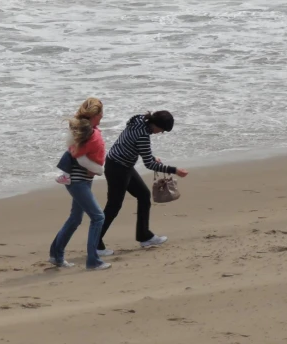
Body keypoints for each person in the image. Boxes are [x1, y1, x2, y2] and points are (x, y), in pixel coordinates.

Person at [97, 110, 188, 256]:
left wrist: (150, 156)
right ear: (156, 125)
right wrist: (175, 170)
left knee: (144, 196)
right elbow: (149, 165)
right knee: (113, 206)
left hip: (122, 165)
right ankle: (96, 244)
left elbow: (133, 143)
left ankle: (144, 236)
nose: (160, 133)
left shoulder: (139, 119)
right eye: (162, 130)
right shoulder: (143, 135)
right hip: (118, 168)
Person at [48, 98, 111, 271]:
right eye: (101, 114)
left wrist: (94, 169)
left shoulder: (85, 130)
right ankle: (93, 261)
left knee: (75, 218)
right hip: (78, 180)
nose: (102, 117)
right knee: (98, 217)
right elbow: (78, 155)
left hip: (81, 180)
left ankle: (56, 255)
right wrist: (97, 169)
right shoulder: (89, 132)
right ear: (95, 115)